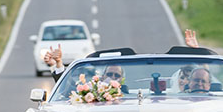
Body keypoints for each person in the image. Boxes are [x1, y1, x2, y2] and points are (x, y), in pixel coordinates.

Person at [43, 29, 201, 83]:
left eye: (116, 75)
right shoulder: (95, 94)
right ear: (103, 76)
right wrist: (58, 64)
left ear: (122, 79)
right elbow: (69, 90)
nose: (112, 77)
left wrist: (196, 52)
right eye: (110, 74)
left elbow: (199, 77)